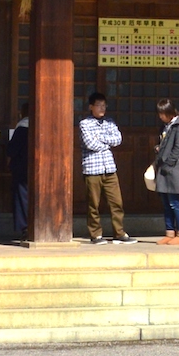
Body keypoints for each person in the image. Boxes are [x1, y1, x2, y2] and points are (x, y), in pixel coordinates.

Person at [79, 91, 132, 243]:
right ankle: (95, 234)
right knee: (93, 204)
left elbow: (118, 139)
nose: (102, 108)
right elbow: (90, 143)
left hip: (109, 168)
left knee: (116, 202)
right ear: (91, 107)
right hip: (92, 169)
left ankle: (119, 233)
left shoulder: (110, 122)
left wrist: (100, 138)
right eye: (98, 105)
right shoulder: (85, 123)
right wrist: (107, 144)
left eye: (104, 105)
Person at [153, 98, 179, 245]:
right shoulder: (166, 126)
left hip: (174, 168)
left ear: (170, 112)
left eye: (163, 113)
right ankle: (169, 232)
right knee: (165, 202)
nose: (161, 116)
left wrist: (168, 164)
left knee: (175, 202)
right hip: (163, 167)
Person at [7, 102, 32, 240]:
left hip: (22, 168)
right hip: (42, 168)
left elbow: (11, 150)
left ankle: (26, 227)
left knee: (23, 197)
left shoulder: (22, 128)